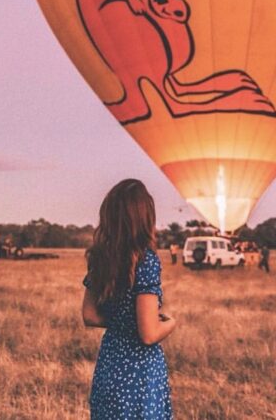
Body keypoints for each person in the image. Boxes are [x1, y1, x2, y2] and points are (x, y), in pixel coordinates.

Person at [82, 179, 175, 419]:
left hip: (110, 364)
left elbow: (90, 315)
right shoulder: (145, 261)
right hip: (139, 373)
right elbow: (148, 334)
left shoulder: (100, 257)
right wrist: (170, 323)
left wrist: (122, 322)